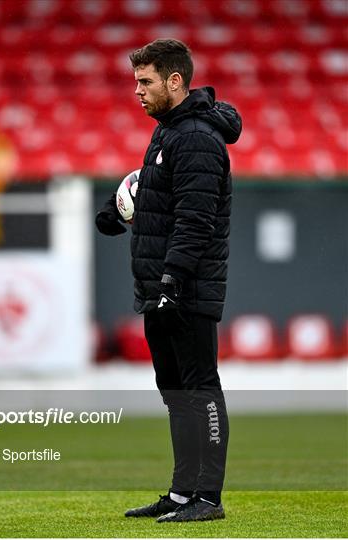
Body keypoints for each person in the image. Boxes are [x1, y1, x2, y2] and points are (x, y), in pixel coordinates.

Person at [95, 39, 242, 523]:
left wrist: (172, 278)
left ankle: (209, 498)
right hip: (161, 287)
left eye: (146, 81)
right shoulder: (168, 133)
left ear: (175, 81)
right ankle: (182, 494)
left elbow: (196, 220)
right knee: (176, 391)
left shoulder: (196, 136)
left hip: (185, 288)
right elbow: (160, 204)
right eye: (136, 81)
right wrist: (118, 216)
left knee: (200, 389)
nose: (137, 91)